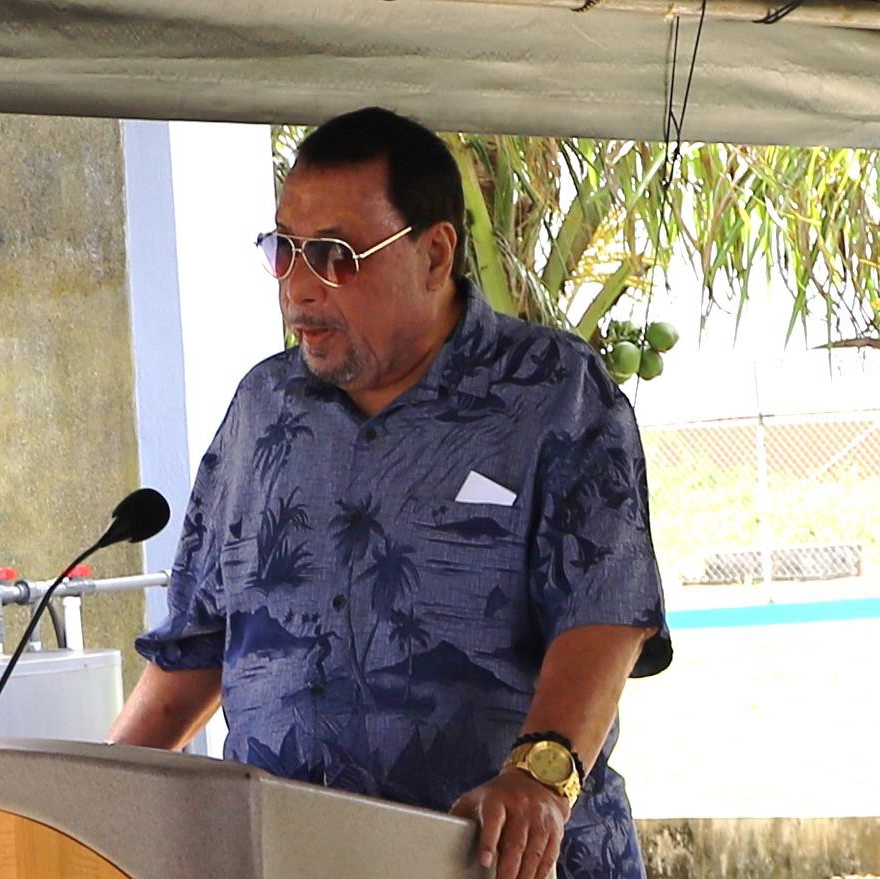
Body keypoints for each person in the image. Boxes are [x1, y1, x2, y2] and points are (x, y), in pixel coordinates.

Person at [107, 106, 672, 879]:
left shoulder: (553, 392)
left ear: (433, 253)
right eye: (284, 250)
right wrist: (84, 804)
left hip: (498, 863)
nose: (298, 288)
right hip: (290, 860)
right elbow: (198, 644)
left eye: (334, 255)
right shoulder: (261, 410)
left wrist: (538, 777)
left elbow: (606, 610)